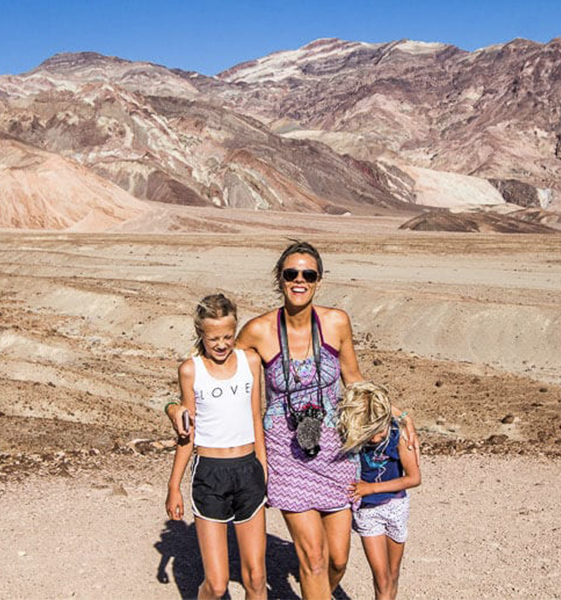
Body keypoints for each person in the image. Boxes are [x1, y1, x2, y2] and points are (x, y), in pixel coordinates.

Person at [165, 240, 419, 599]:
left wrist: (398, 413)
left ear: (318, 280)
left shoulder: (336, 323)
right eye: (291, 273)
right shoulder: (257, 331)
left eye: (308, 274)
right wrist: (173, 407)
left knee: (337, 560)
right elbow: (216, 364)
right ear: (280, 279)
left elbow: (354, 378)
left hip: (337, 452)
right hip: (286, 455)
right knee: (313, 558)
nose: (299, 280)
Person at [165, 294, 267, 599]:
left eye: (227, 336)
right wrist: (173, 486)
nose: (221, 344)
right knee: (217, 583)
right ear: (201, 334)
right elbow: (188, 433)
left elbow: (255, 417)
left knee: (257, 578)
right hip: (210, 474)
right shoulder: (190, 370)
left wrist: (262, 468)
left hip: (248, 470)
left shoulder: (250, 362)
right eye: (213, 339)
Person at [338, 381, 422, 600]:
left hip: (396, 506)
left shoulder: (399, 435)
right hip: (367, 511)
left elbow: (414, 478)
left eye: (379, 432)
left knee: (393, 574)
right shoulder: (354, 431)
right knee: (381, 577)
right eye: (370, 434)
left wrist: (371, 488)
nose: (375, 438)